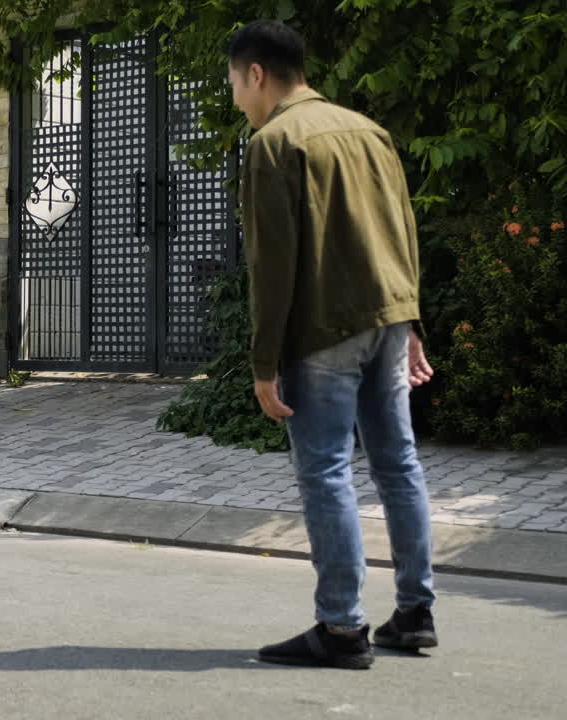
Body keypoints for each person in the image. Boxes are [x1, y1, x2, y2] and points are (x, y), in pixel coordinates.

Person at [227, 20, 438, 668]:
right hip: (387, 320)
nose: (235, 95)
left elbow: (272, 267)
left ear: (256, 74)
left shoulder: (273, 144)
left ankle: (343, 629)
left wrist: (264, 366)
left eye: (233, 81)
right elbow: (404, 230)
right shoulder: (370, 133)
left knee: (325, 472)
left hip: (322, 331)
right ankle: (414, 612)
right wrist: (411, 326)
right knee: (398, 463)